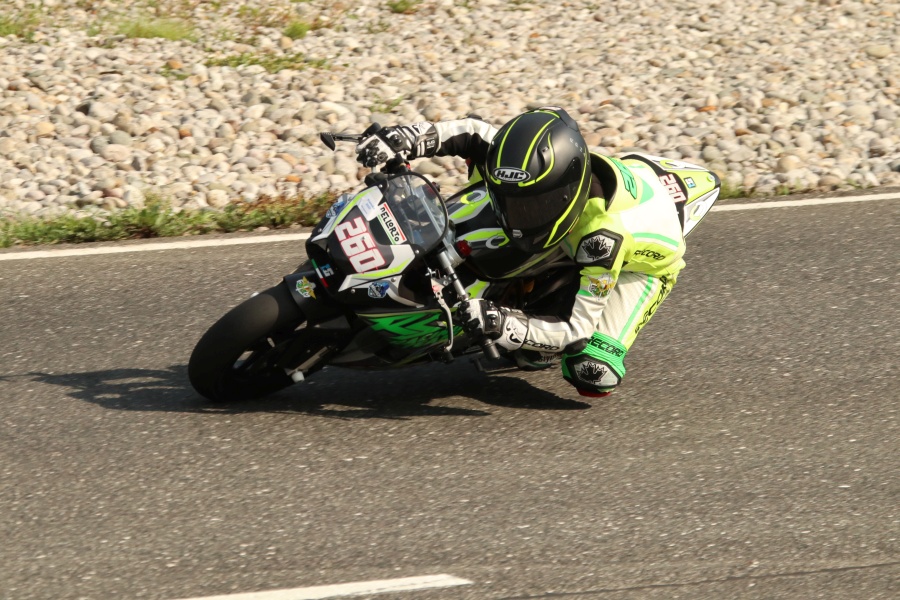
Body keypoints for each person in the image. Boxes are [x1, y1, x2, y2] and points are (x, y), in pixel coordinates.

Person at [354, 107, 687, 398]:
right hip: (595, 202)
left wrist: (503, 323)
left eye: (531, 207)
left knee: (592, 371)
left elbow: (577, 328)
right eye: (512, 203)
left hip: (641, 268)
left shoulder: (601, 241)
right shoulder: (526, 173)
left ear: (563, 198)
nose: (516, 216)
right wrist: (405, 138)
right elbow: (473, 131)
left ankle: (541, 347)